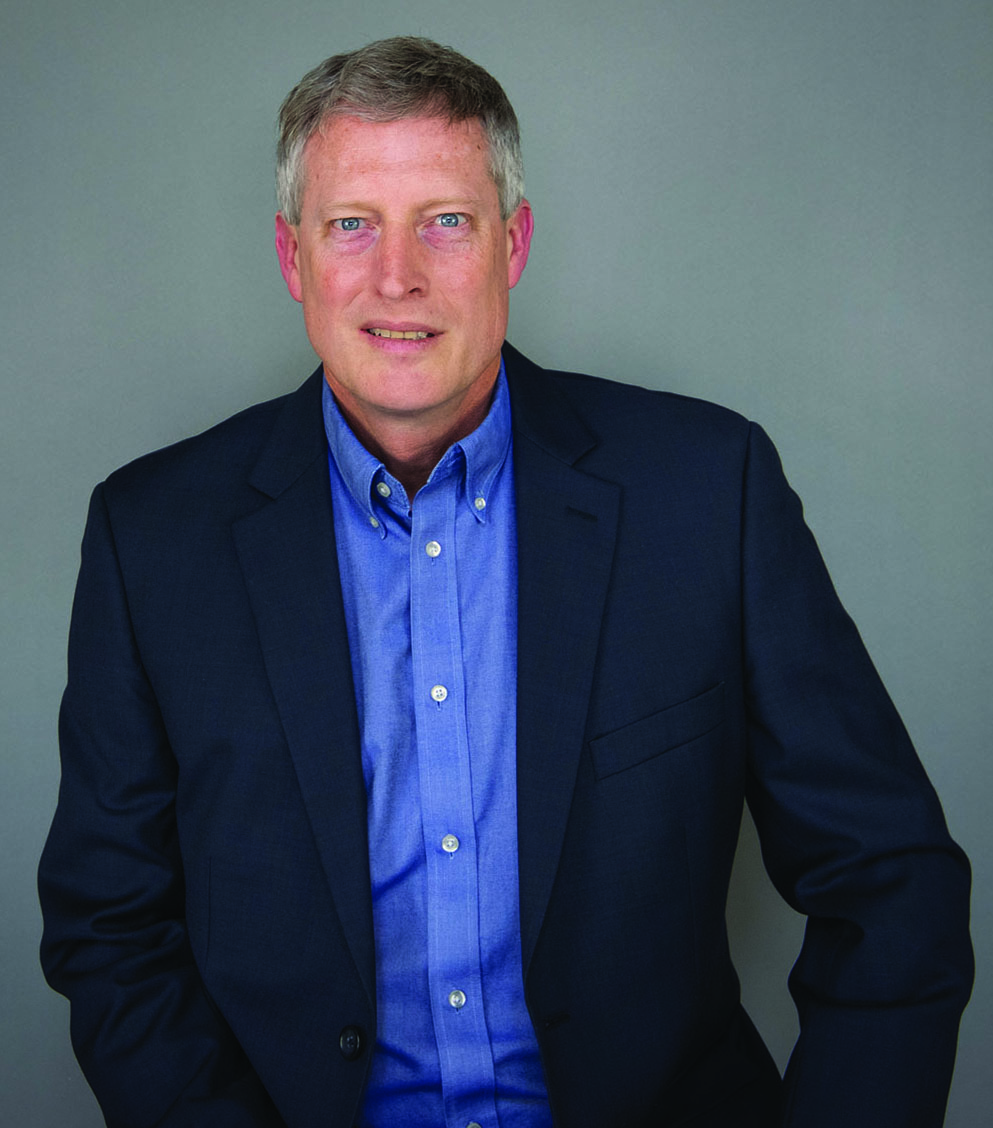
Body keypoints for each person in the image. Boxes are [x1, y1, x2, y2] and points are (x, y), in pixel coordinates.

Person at [39, 36, 972, 1128]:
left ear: (513, 242)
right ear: (293, 258)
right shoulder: (153, 539)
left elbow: (889, 879)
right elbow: (111, 927)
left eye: (445, 221)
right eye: (351, 225)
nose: (398, 275)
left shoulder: (704, 492)